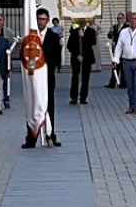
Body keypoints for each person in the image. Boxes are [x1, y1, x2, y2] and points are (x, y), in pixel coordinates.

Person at [26, 8, 62, 148]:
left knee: (49, 105)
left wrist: (45, 66)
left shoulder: (53, 37)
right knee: (32, 105)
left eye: (43, 19)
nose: (41, 22)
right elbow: (27, 54)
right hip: (33, 77)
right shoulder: (31, 36)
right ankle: (31, 137)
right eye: (39, 19)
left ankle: (50, 134)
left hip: (47, 76)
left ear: (47, 20)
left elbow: (56, 57)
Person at [112, 12, 136, 115]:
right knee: (130, 85)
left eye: (135, 19)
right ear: (129, 20)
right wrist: (115, 60)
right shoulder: (123, 32)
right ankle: (132, 106)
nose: (133, 21)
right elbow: (119, 47)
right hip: (127, 61)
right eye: (132, 19)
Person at [67, 21, 96, 105]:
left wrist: (84, 36)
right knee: (75, 78)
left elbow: (93, 42)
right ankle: (74, 97)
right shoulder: (74, 29)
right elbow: (69, 45)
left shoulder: (91, 31)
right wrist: (77, 55)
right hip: (76, 58)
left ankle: (83, 97)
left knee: (85, 78)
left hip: (87, 58)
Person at [105, 12, 127, 88]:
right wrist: (110, 32)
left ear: (123, 19)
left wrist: (117, 42)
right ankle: (112, 83)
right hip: (116, 50)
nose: (119, 20)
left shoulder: (127, 27)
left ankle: (123, 83)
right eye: (118, 18)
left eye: (120, 18)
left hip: (123, 50)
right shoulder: (114, 27)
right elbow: (109, 36)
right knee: (115, 67)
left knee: (123, 68)